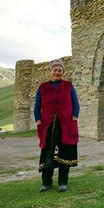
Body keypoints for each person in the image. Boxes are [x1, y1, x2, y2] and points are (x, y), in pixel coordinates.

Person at [34, 59, 80, 192]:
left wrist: (74, 117)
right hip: (48, 126)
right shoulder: (43, 87)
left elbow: (76, 104)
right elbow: (37, 105)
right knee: (47, 153)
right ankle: (46, 183)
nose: (57, 72)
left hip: (65, 125)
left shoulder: (68, 86)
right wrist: (38, 119)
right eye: (55, 70)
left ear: (63, 72)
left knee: (64, 153)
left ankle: (63, 183)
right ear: (50, 71)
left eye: (60, 70)